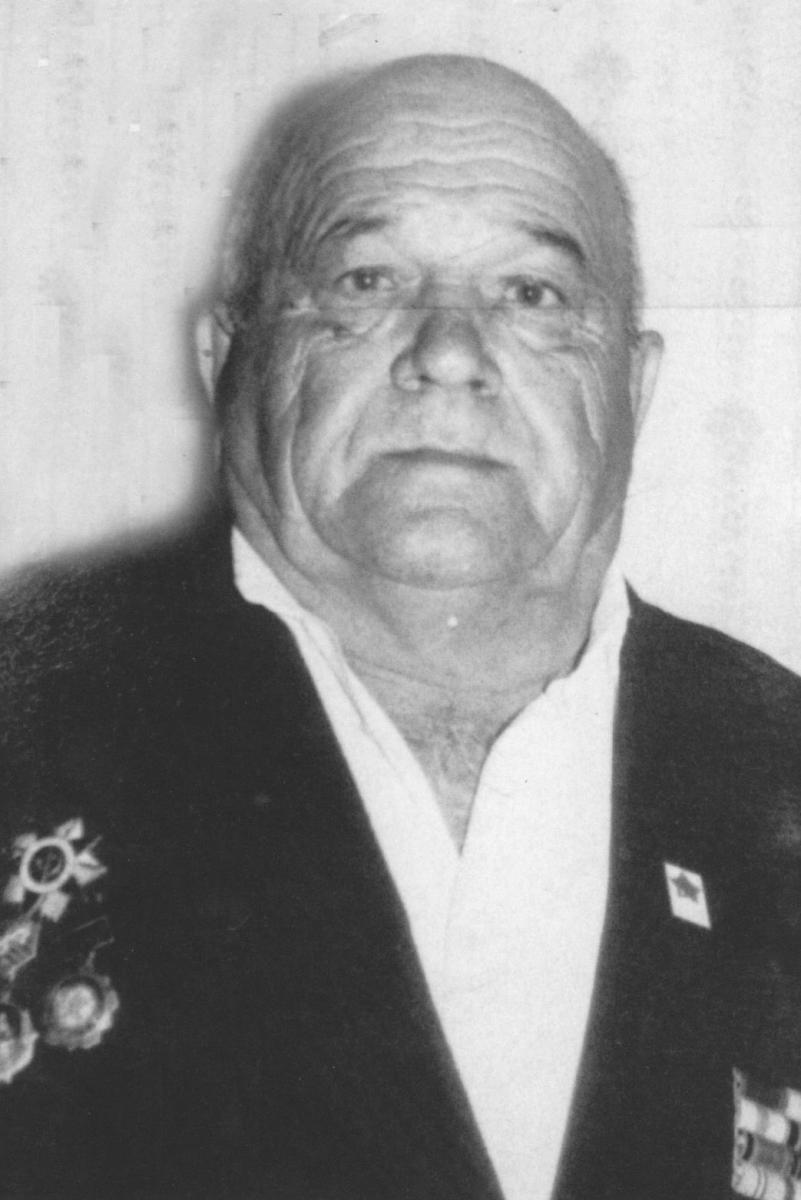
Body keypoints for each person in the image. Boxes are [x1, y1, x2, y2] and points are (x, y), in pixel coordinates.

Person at [1, 52, 801, 1200]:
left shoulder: (775, 768)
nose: (448, 354)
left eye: (533, 295)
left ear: (636, 387)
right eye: (367, 280)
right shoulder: (29, 718)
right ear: (227, 359)